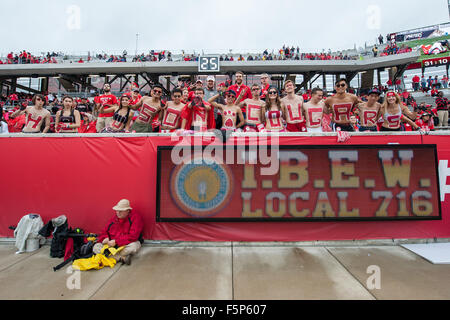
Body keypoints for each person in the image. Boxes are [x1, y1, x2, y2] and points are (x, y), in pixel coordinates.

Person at [93, 199, 144, 266]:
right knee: (95, 247)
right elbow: (104, 232)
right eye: (117, 210)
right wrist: (105, 238)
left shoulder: (135, 218)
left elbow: (133, 236)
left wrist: (116, 241)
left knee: (135, 246)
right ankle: (121, 258)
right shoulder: (114, 219)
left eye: (120, 211)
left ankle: (110, 256)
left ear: (128, 211)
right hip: (111, 246)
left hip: (125, 245)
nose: (118, 213)